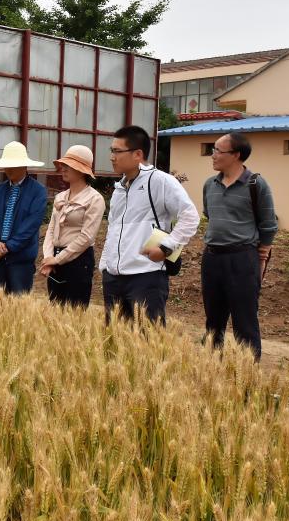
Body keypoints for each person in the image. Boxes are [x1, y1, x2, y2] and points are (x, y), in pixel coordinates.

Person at [99, 125, 199, 324]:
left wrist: (166, 248)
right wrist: (105, 266)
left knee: (148, 338)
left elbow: (190, 216)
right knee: (114, 338)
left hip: (146, 276)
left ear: (137, 154)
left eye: (117, 151)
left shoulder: (160, 181)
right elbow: (113, 229)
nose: (112, 157)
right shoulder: (119, 188)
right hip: (113, 278)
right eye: (111, 150)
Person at [200, 132, 277, 361]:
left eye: (218, 150)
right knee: (213, 321)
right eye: (213, 150)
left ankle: (247, 373)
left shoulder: (256, 184)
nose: (213, 155)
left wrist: (261, 256)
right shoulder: (209, 184)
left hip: (242, 259)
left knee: (245, 321)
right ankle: (210, 368)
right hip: (212, 258)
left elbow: (269, 224)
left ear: (236, 155)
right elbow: (209, 215)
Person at [40, 145, 105, 306]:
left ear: (82, 170)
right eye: (63, 165)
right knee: (55, 310)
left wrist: (57, 259)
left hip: (79, 260)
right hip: (55, 259)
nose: (63, 168)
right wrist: (48, 257)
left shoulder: (95, 199)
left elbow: (86, 237)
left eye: (68, 165)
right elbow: (51, 229)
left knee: (76, 311)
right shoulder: (60, 197)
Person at [0, 141, 47, 294]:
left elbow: (32, 224)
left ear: (24, 166)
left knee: (19, 302)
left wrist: (8, 246)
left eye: (13, 165)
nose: (9, 169)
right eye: (7, 165)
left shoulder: (38, 191)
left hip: (21, 259)